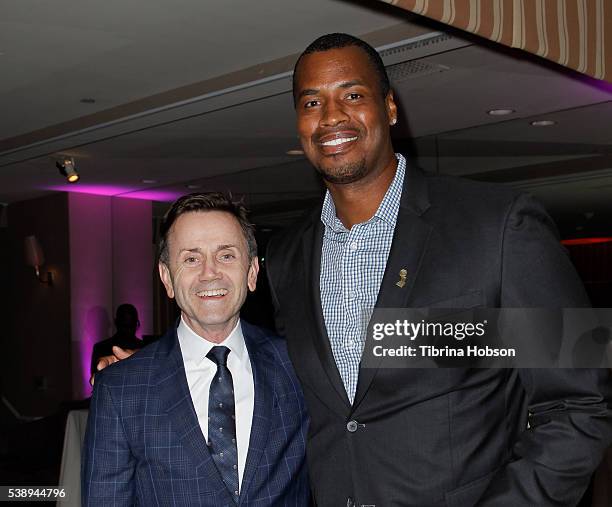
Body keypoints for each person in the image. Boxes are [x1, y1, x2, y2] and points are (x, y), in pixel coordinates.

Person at [96, 34, 612, 506]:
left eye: (353, 95)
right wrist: (152, 372)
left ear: (389, 108)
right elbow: (274, 370)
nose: (331, 116)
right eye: (311, 103)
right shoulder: (291, 255)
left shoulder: (499, 225)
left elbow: (583, 403)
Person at [82, 193, 309, 506]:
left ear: (252, 272)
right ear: (167, 278)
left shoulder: (299, 365)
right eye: (191, 258)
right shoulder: (121, 389)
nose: (209, 272)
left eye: (226, 255)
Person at [89, 303, 143, 376]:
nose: (128, 330)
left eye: (131, 326)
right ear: (116, 323)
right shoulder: (101, 348)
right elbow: (95, 379)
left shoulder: (145, 347)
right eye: (125, 326)